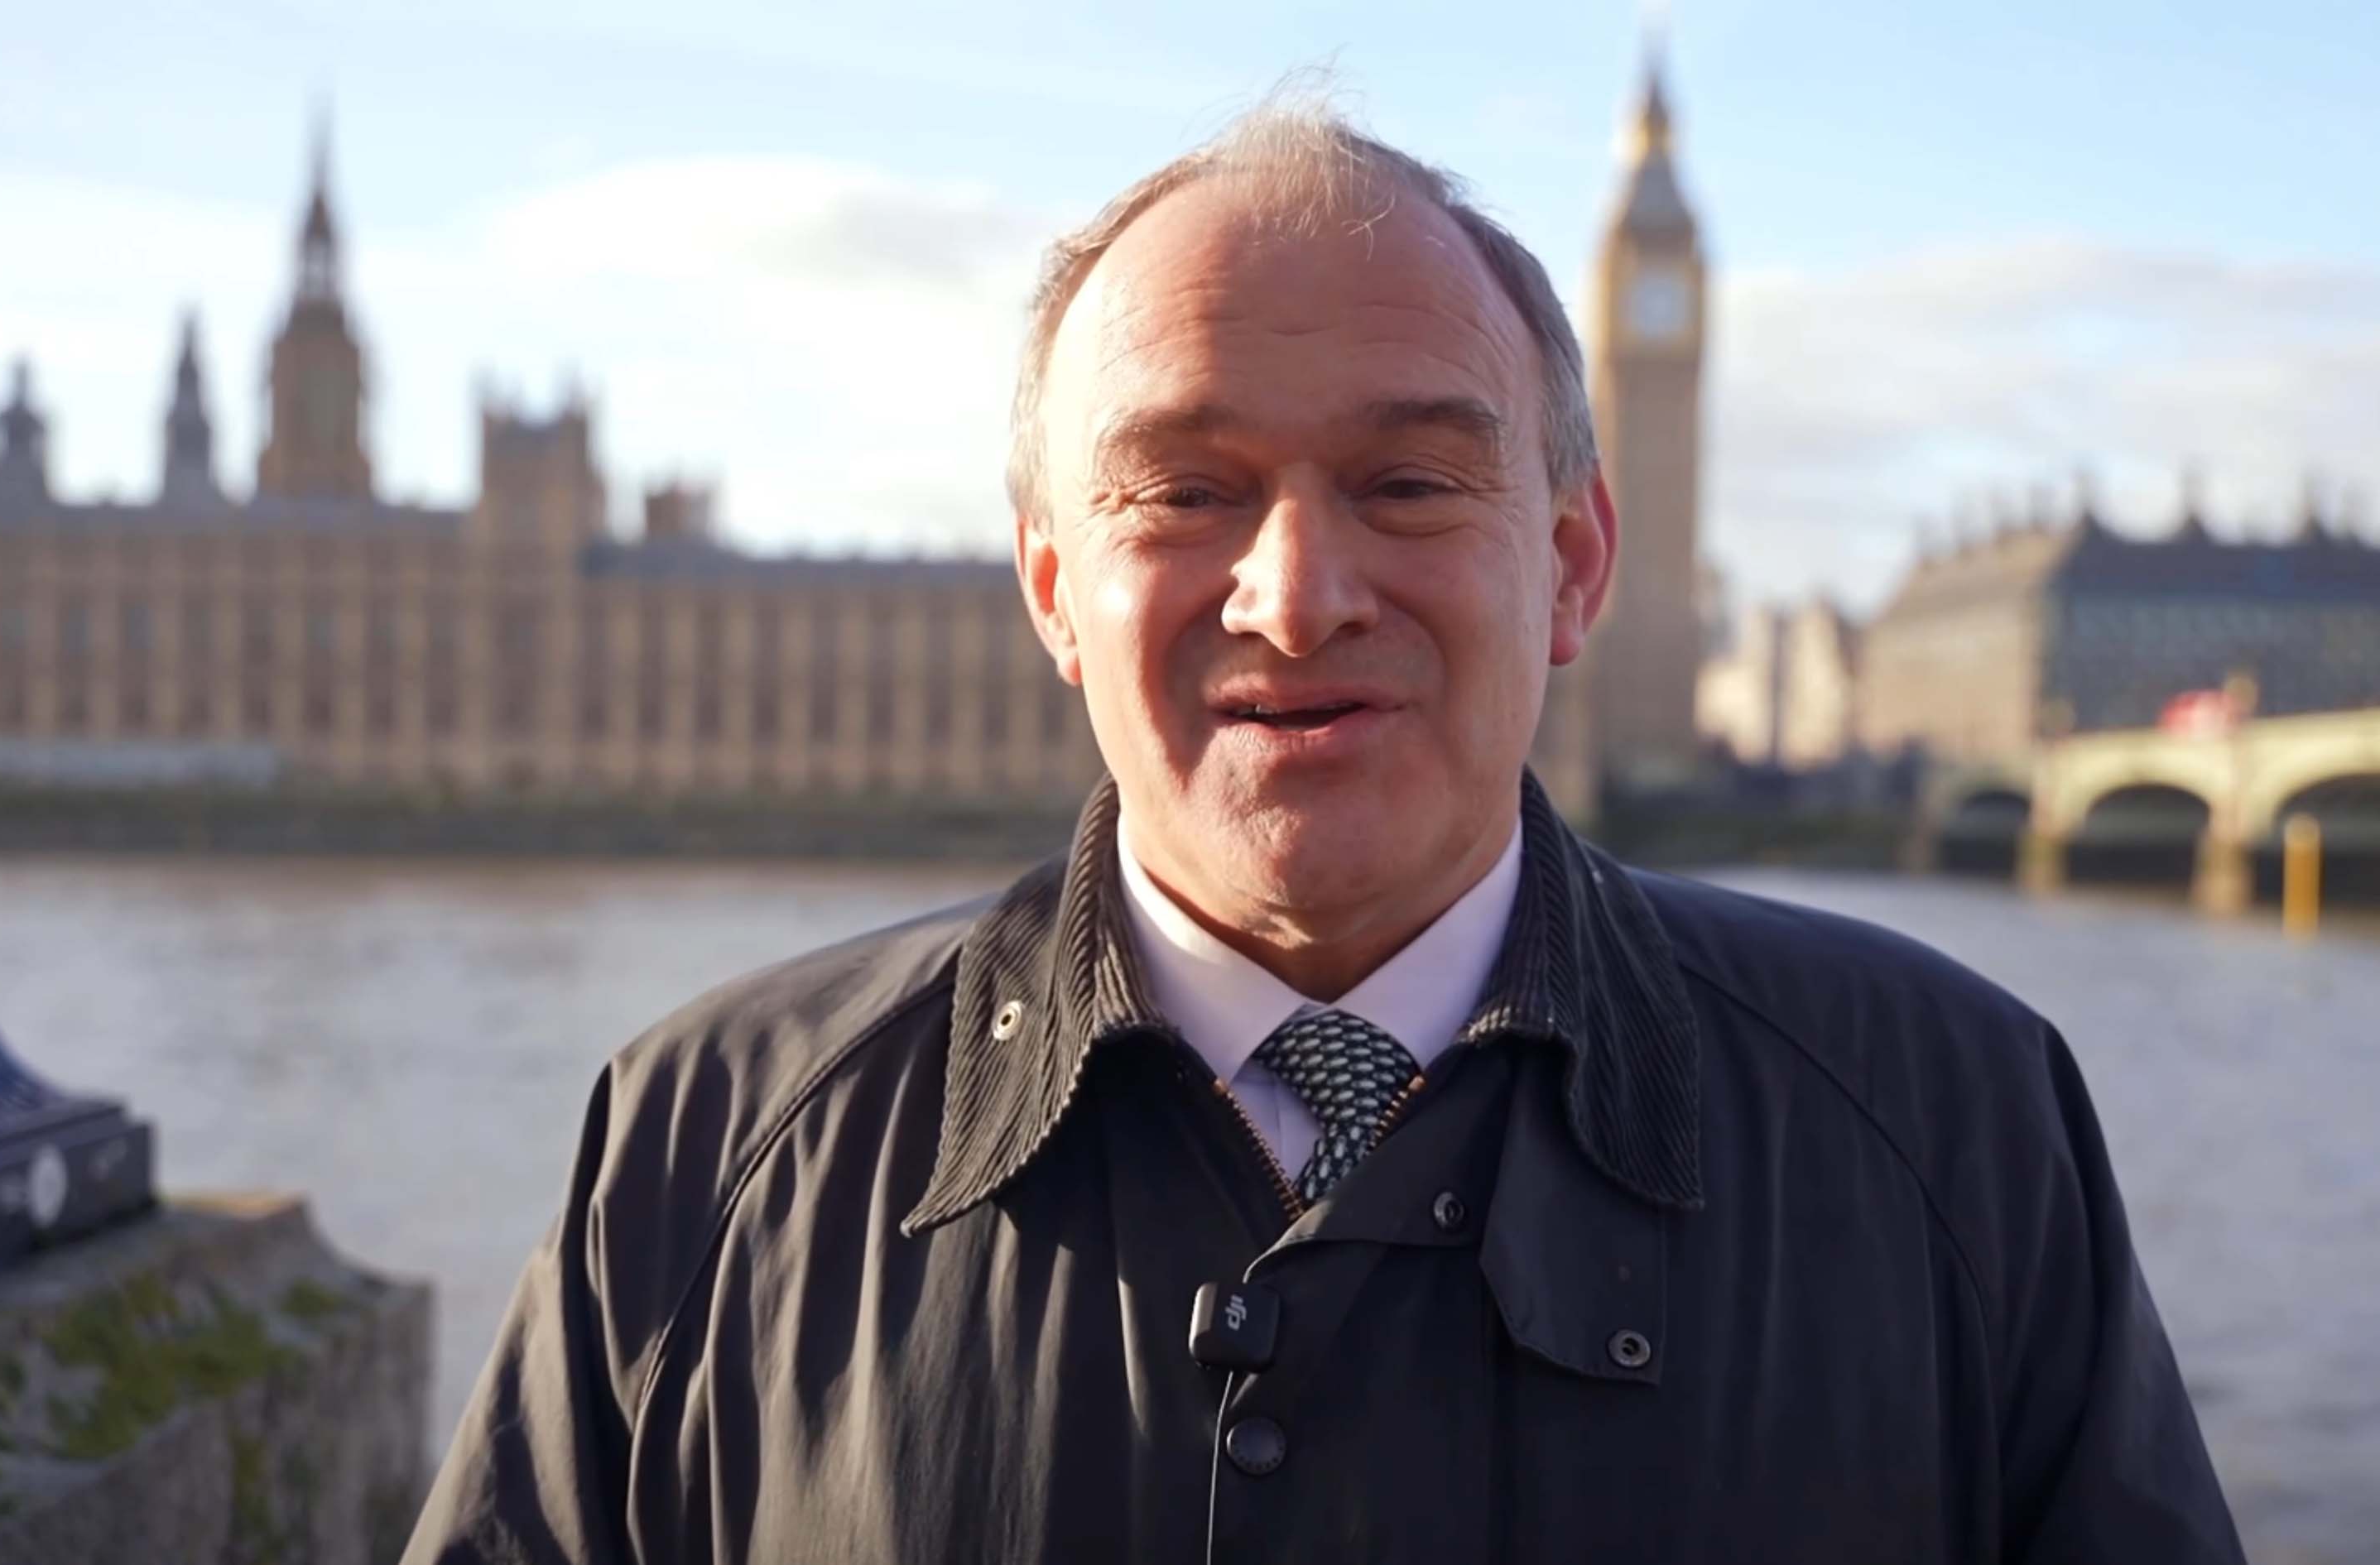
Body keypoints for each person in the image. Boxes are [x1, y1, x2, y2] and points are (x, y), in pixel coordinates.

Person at [405, 94, 2244, 1564]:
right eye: (1186, 489)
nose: (1295, 594)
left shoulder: (1956, 1123)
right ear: (1053, 587)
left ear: (1574, 562)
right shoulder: (705, 1147)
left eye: (1410, 481)